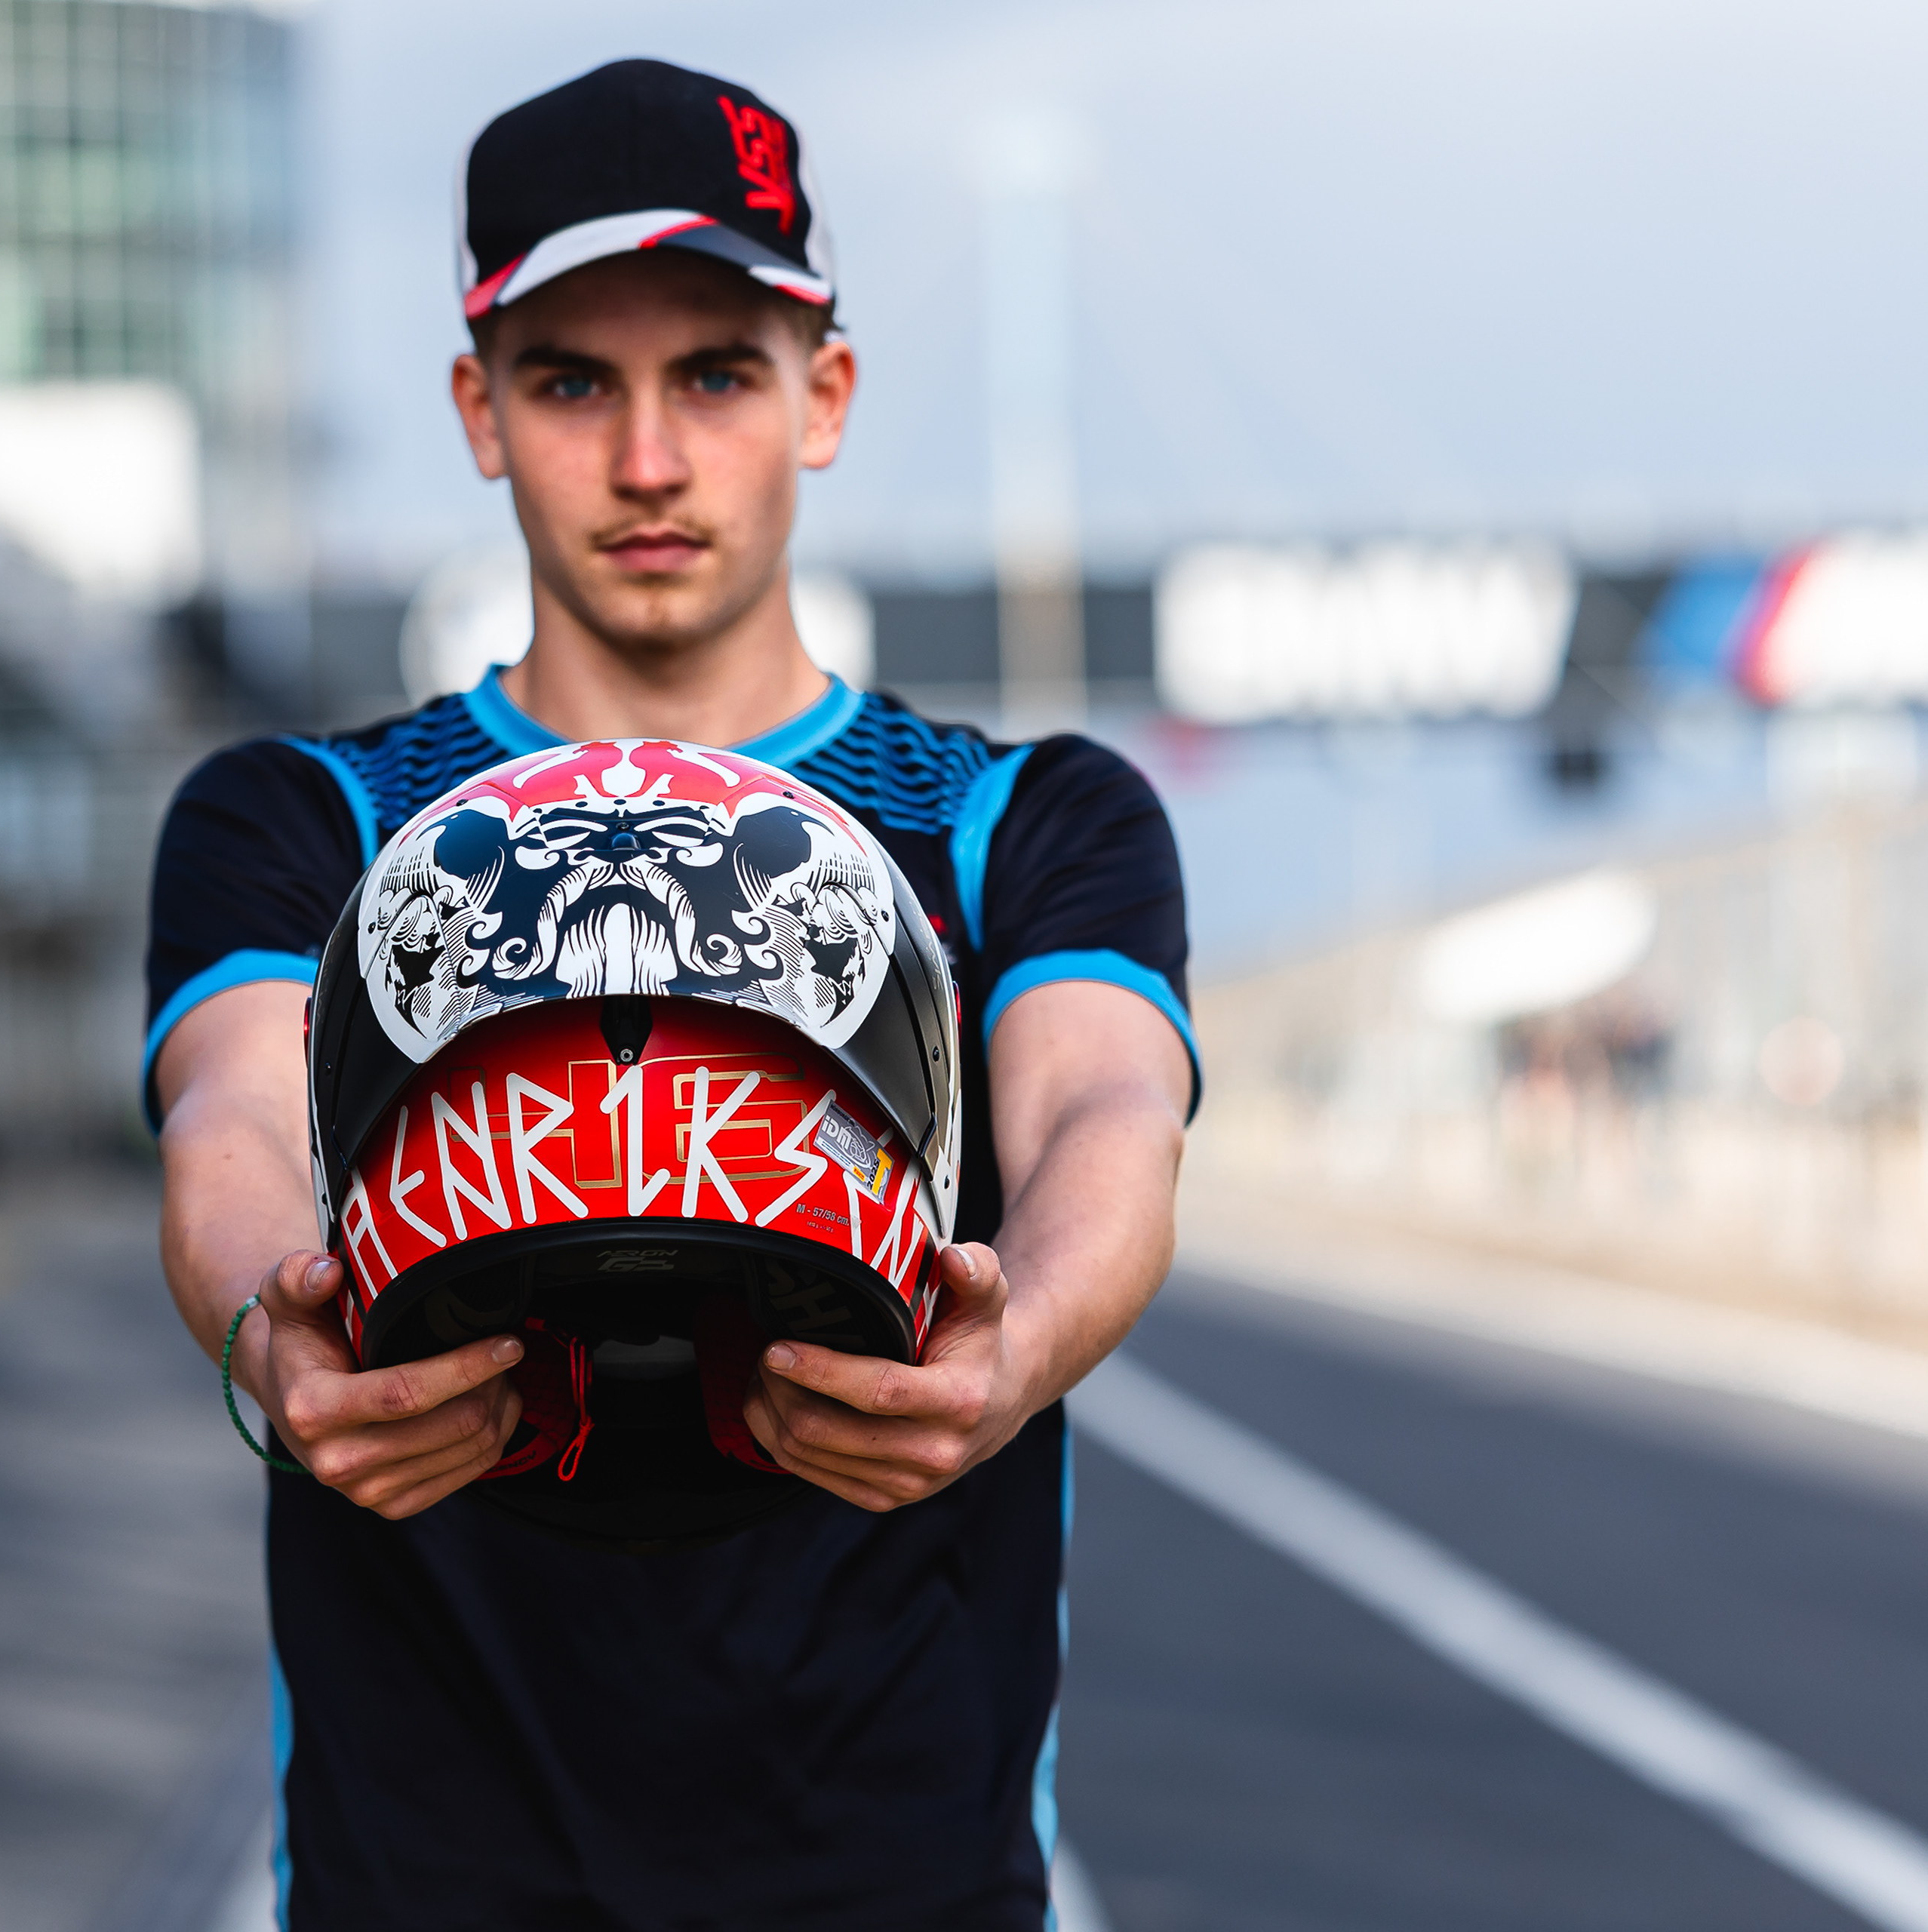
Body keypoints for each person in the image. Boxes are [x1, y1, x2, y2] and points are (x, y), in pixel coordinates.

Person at [147, 58, 1196, 1931]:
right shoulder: (314, 817)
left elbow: (1109, 1113)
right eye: (573, 382)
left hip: (901, 1883)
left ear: (824, 396)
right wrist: (266, 1331)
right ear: (479, 408)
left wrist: (1019, 1338)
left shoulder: (1014, 819)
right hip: (426, 1882)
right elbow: (232, 1121)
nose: (648, 461)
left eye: (715, 374)